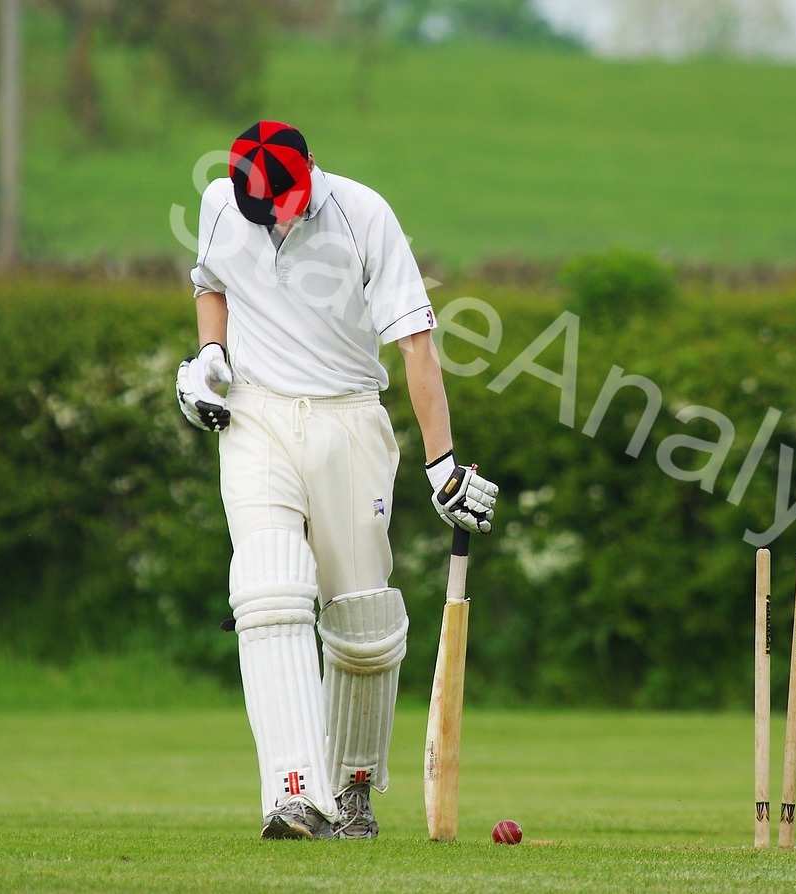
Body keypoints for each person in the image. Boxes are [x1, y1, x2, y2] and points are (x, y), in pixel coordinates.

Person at [176, 120, 498, 840]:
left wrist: (440, 463)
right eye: (265, 209)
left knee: (363, 624)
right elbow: (210, 287)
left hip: (348, 417)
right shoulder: (223, 206)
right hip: (255, 416)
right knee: (268, 591)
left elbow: (415, 340)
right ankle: (293, 794)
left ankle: (351, 788)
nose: (278, 218)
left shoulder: (363, 214)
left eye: (286, 202)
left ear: (311, 171)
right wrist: (207, 359)